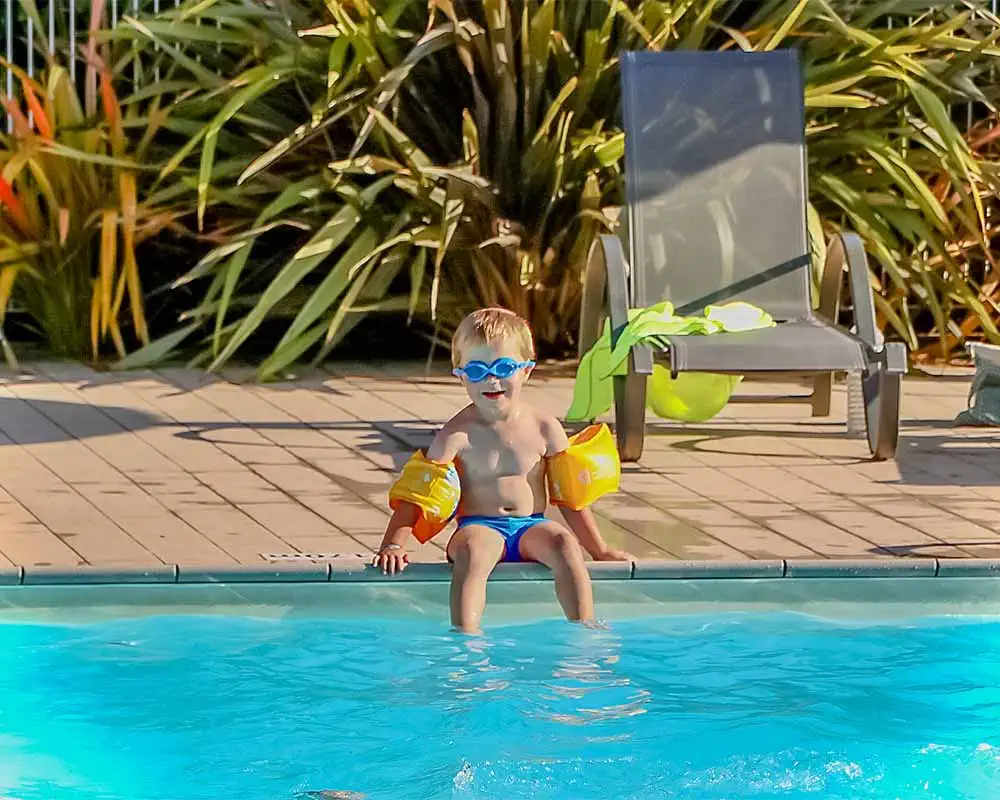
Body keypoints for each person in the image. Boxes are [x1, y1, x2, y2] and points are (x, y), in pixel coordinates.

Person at [372, 307, 633, 633]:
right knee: (474, 551)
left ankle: (583, 628)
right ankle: (466, 636)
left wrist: (600, 550)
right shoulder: (456, 435)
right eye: (477, 370)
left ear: (526, 370)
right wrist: (393, 544)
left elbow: (571, 498)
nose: (491, 379)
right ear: (461, 375)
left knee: (565, 544)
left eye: (504, 367)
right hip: (479, 525)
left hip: (530, 527)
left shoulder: (545, 428)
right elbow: (417, 496)